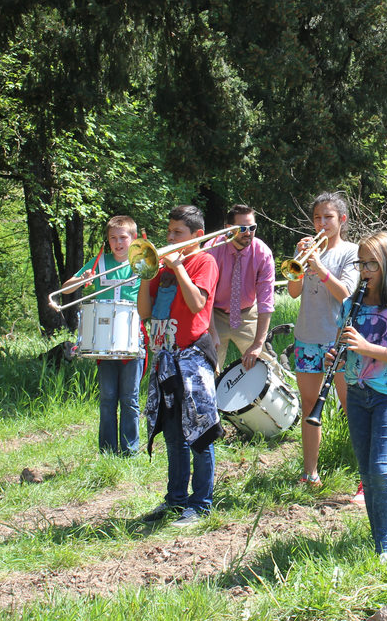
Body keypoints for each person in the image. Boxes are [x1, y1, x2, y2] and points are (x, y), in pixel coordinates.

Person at [329, 232, 387, 568]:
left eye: (372, 264)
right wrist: (335, 359)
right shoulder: (350, 304)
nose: (364, 270)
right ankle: (377, 536)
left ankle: (385, 547)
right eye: (361, 263)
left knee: (382, 471)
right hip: (357, 393)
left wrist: (368, 349)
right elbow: (346, 352)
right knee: (367, 473)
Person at [139, 205, 222, 527]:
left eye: (178, 233)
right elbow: (145, 312)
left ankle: (200, 504)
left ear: (197, 236)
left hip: (192, 357)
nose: (170, 238)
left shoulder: (205, 261)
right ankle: (175, 499)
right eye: (169, 232)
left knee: (199, 433)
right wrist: (145, 277)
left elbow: (198, 303)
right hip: (164, 356)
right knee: (172, 434)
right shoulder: (162, 269)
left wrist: (179, 267)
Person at [288, 192, 360, 488]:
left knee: (350, 406)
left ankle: (364, 476)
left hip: (338, 340)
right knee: (309, 406)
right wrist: (298, 263)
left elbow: (346, 293)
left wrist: (319, 267)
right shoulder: (306, 249)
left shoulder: (351, 252)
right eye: (317, 217)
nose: (321, 223)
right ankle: (310, 473)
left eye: (328, 217)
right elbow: (293, 293)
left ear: (341, 220)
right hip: (307, 337)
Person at [59, 215, 143, 456]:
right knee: (107, 398)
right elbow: (66, 288)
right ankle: (106, 450)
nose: (118, 243)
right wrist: (82, 279)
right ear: (108, 240)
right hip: (103, 341)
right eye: (113, 238)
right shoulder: (99, 263)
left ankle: (130, 451)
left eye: (123, 238)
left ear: (133, 238)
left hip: (132, 338)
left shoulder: (141, 263)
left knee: (130, 398)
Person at [208, 204, 275, 371]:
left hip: (247, 314)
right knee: (208, 367)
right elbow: (205, 298)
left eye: (252, 227)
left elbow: (266, 302)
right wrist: (212, 332)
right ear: (228, 229)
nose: (248, 232)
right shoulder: (212, 249)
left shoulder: (262, 253)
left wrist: (258, 344)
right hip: (215, 314)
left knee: (267, 366)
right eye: (243, 228)